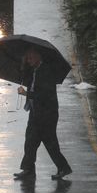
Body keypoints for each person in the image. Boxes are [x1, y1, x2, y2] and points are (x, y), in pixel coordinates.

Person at [13, 48, 72, 181]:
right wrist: (23, 66)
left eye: (31, 57)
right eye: (27, 58)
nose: (29, 60)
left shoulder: (46, 71)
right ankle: (28, 169)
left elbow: (44, 95)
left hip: (47, 114)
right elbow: (25, 79)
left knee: (50, 143)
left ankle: (63, 167)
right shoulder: (33, 70)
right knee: (30, 142)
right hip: (35, 113)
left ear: (39, 56)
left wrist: (26, 94)